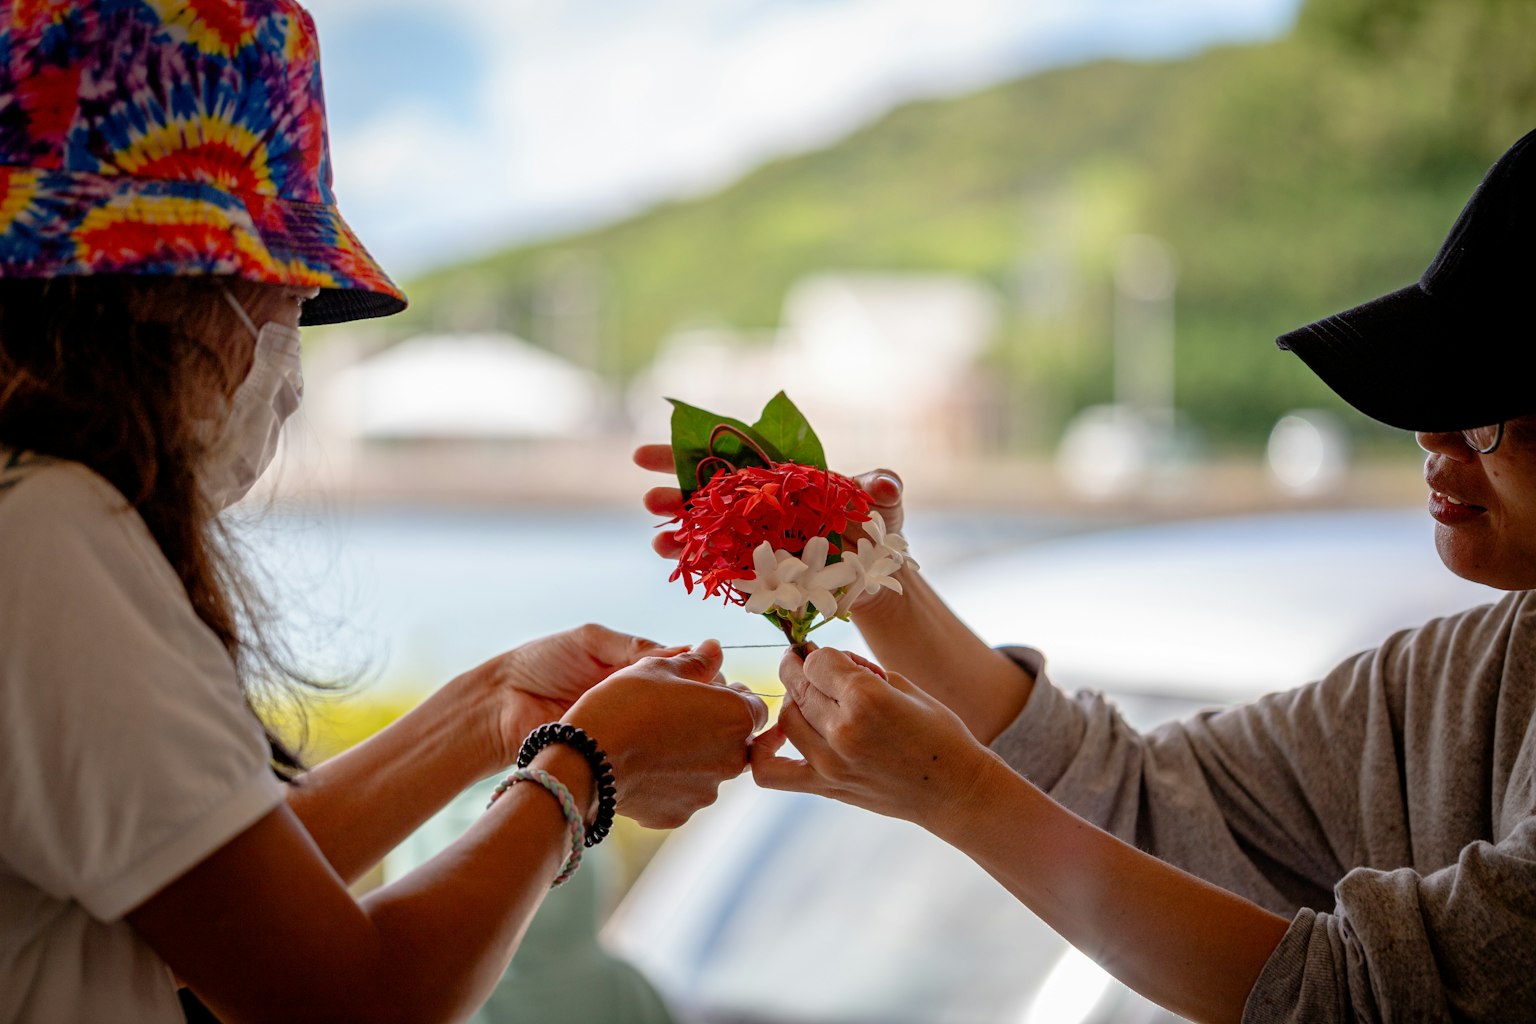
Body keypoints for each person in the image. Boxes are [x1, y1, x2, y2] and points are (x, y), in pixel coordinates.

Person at [637, 127, 1536, 1022]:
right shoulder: (1465, 672)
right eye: (1432, 402)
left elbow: (1361, 1001)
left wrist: (955, 796)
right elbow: (1148, 797)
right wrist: (866, 577)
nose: (1432, 436)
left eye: (1483, 410)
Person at [0, 3, 766, 1023]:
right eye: (278, 298)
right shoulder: (47, 537)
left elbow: (215, 898)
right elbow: (353, 998)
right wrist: (585, 773)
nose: (284, 351)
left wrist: (491, 707)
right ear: (155, 290)